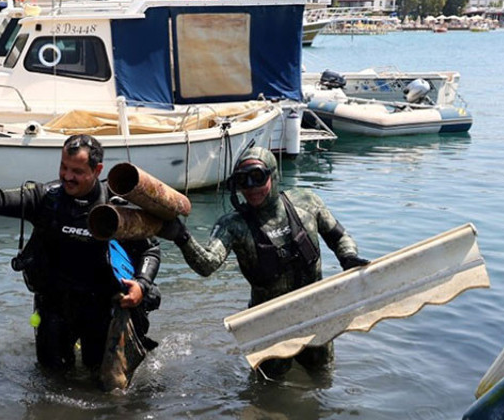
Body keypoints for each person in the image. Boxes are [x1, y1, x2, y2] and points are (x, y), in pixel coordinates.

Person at [0, 135, 161, 390]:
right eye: (64, 167)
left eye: (77, 171)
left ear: (97, 170)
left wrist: (141, 284)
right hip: (54, 307)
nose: (67, 176)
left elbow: (150, 250)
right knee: (50, 381)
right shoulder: (44, 198)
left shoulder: (114, 207)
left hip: (101, 308)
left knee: (101, 385)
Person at [157, 146, 369, 377]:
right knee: (269, 390)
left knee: (323, 378)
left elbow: (339, 237)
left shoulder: (307, 202)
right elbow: (208, 264)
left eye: (257, 177)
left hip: (314, 314)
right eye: (243, 181)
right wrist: (182, 237)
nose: (251, 188)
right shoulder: (233, 225)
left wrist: (347, 257)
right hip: (268, 325)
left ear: (274, 175)